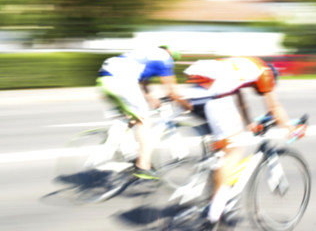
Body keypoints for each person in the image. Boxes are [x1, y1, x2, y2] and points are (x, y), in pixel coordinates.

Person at [182, 56, 294, 229]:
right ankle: (215, 212)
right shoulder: (264, 72)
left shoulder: (245, 65)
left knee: (224, 153)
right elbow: (275, 108)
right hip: (214, 96)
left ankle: (219, 201)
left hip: (196, 93)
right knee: (236, 150)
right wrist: (290, 127)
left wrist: (249, 122)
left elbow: (239, 98)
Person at [96, 45, 192, 180]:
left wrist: (150, 97)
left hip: (104, 80)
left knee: (132, 115)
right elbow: (171, 91)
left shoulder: (147, 54)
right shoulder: (165, 59)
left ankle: (114, 144)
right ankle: (143, 166)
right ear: (172, 55)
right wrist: (187, 105)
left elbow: (143, 80)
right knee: (145, 121)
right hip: (121, 82)